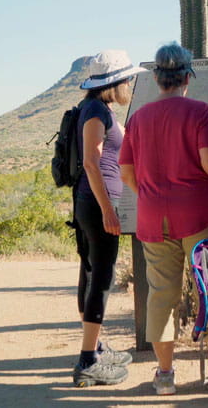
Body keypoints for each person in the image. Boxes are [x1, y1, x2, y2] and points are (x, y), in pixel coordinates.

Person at [119, 42, 208, 396]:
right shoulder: (200, 112)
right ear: (188, 76)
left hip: (153, 219)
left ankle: (164, 375)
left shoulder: (138, 118)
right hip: (199, 215)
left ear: (158, 78)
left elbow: (126, 171)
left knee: (161, 295)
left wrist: (149, 192)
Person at [71, 50, 146, 388]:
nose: (129, 83)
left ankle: (96, 346)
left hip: (93, 202)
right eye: (126, 79)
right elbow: (91, 162)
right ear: (113, 83)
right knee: (101, 276)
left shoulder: (99, 109)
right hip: (96, 203)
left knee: (92, 272)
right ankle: (88, 361)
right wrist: (108, 210)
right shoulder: (95, 111)